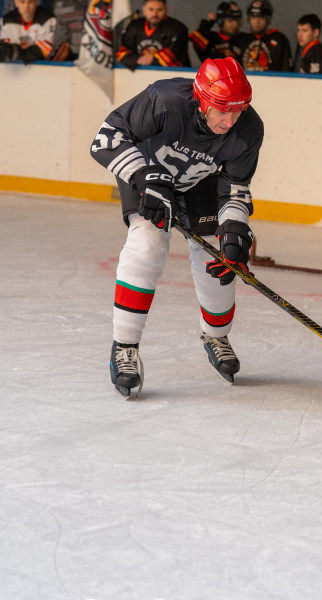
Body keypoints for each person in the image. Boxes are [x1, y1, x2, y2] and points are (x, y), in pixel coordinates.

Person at [90, 57, 264, 398]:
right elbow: (106, 138)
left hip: (198, 183)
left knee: (218, 257)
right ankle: (125, 347)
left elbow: (235, 187)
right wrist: (143, 176)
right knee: (147, 243)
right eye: (221, 110)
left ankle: (216, 335)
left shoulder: (248, 130)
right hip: (146, 172)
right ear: (201, 100)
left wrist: (234, 230)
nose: (229, 121)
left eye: (237, 111)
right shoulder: (164, 100)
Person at [0, 0, 65, 65]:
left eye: (30, 2)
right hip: (26, 68)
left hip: (58, 65)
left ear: (37, 2)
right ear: (16, 3)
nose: (26, 6)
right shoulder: (7, 20)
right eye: (22, 2)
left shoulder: (48, 20)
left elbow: (43, 53)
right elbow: (7, 48)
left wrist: (16, 51)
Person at [116, 0, 190, 70]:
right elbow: (121, 52)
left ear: (166, 10)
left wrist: (149, 59)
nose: (155, 14)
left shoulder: (178, 29)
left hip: (174, 75)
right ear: (144, 11)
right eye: (151, 9)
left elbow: (172, 58)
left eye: (159, 10)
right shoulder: (134, 27)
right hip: (140, 74)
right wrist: (138, 59)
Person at [238, 0, 292, 72]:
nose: (257, 21)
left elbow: (286, 70)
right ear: (249, 19)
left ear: (267, 19)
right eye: (253, 17)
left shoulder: (279, 39)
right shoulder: (243, 40)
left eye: (261, 17)